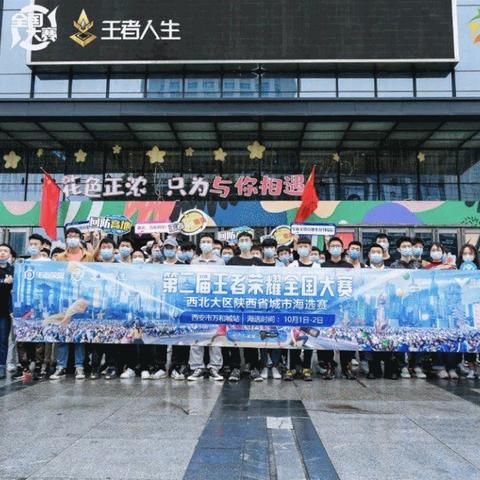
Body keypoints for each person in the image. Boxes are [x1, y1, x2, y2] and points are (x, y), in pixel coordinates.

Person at [50, 227, 93, 380]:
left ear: (80, 238)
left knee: (79, 334)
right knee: (63, 332)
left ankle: (79, 366)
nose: (72, 238)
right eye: (69, 236)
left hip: (81, 299)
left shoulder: (88, 256)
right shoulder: (60, 257)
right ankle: (60, 366)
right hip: (64, 299)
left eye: (75, 236)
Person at [226, 231, 264, 381]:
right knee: (234, 336)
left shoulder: (258, 261)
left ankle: (253, 367)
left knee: (251, 336)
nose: (244, 242)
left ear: (251, 242)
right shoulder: (232, 261)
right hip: (235, 305)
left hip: (252, 306)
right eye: (241, 240)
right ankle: (235, 367)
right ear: (238, 243)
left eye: (246, 240)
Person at [187, 234, 224, 381]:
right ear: (199, 244)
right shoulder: (194, 262)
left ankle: (215, 367)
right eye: (203, 241)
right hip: (198, 303)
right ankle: (197, 367)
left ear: (213, 244)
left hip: (215, 304)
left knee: (215, 337)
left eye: (208, 241)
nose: (206, 244)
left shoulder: (220, 262)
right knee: (197, 336)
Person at [390, 237, 426, 379]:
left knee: (418, 335)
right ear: (398, 249)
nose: (407, 248)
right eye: (404, 246)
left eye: (409, 246)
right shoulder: (394, 266)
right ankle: (402, 365)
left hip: (416, 305)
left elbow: (424, 284)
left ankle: (417, 365)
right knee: (401, 336)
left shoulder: (418, 266)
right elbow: (391, 285)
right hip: (400, 306)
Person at [284, 236, 319, 382]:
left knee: (309, 340)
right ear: (296, 248)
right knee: (294, 338)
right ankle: (291, 368)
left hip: (311, 309)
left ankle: (306, 368)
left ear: (310, 248)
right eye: (301, 246)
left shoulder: (317, 267)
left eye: (306, 246)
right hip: (295, 308)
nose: (303, 248)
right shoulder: (292, 266)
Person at [322, 237, 355, 379]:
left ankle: (346, 367)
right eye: (332, 245)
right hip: (328, 307)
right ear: (328, 248)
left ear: (342, 249)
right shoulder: (322, 266)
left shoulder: (349, 267)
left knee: (345, 337)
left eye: (338, 246)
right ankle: (329, 366)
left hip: (344, 307)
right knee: (327, 338)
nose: (335, 248)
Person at [365, 243, 398, 379]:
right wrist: (373, 299)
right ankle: (374, 369)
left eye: (379, 252)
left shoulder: (391, 273)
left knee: (388, 338)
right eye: (373, 252)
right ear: (369, 255)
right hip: (370, 310)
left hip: (387, 311)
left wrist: (388, 298)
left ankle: (391, 369)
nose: (376, 254)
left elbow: (396, 292)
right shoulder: (364, 272)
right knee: (372, 339)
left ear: (384, 255)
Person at [258, 237, 282, 380]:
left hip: (277, 307)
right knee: (263, 337)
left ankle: (275, 365)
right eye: (267, 247)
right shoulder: (257, 265)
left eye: (272, 247)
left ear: (275, 249)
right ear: (262, 249)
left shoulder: (282, 267)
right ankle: (264, 365)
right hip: (261, 308)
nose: (269, 250)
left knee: (276, 337)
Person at [0, 244, 14, 380]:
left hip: (5, 312)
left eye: (5, 251)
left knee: (3, 340)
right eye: (0, 251)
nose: (2, 253)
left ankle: (1, 367)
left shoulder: (12, 270)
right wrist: (4, 283)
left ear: (10, 254)